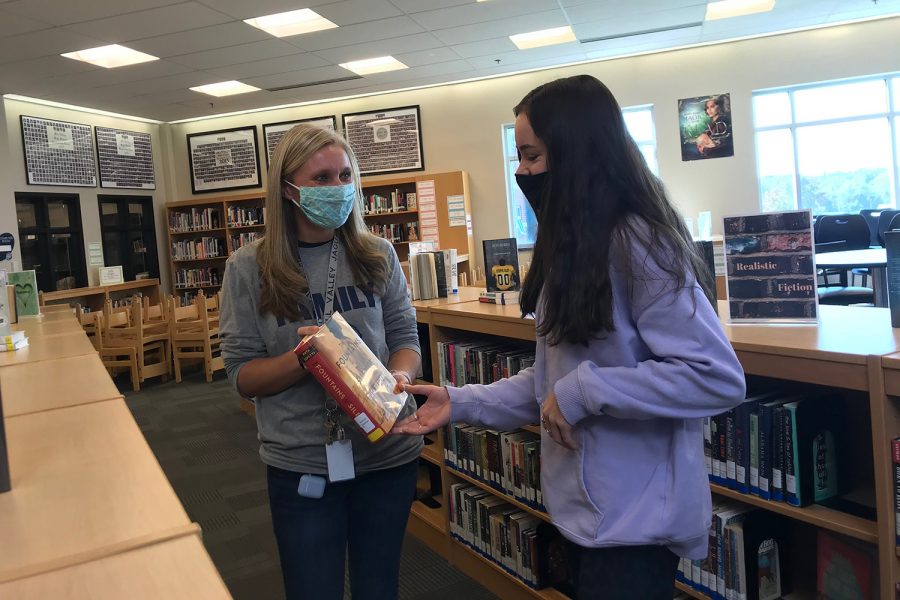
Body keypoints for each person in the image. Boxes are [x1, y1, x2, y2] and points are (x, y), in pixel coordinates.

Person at [393, 75, 746, 599]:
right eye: (518, 156)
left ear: (577, 154)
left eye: (533, 157)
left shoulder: (639, 242)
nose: (521, 172)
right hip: (588, 516)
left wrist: (588, 391)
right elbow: (553, 378)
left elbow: (714, 377)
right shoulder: (572, 246)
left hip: (637, 525)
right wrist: (460, 402)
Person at [219, 124, 422, 600]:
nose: (338, 188)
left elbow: (405, 338)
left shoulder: (378, 254)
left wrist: (398, 378)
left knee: (379, 587)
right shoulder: (248, 268)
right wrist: (306, 358)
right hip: (303, 461)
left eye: (346, 175)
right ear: (288, 189)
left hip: (386, 452)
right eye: (322, 178)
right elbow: (242, 377)